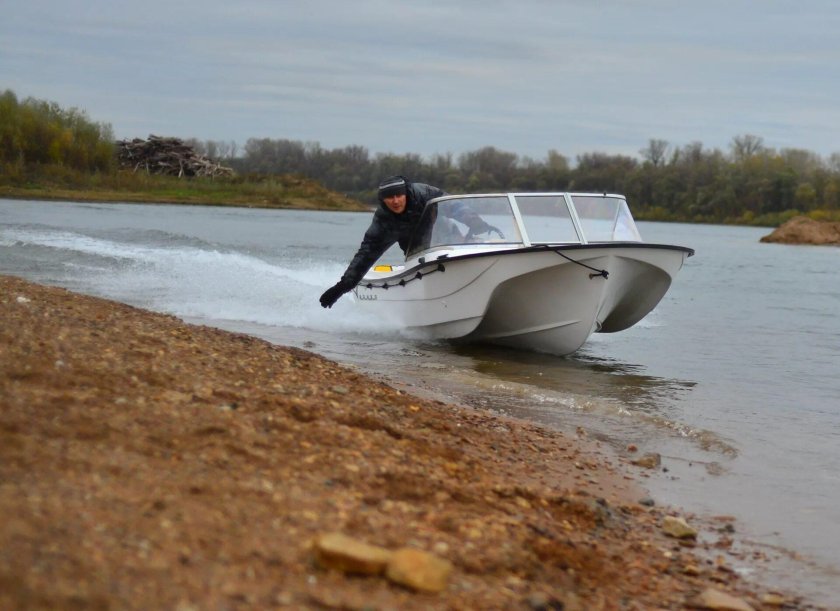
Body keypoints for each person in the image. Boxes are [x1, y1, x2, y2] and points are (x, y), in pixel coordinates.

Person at [319, 175, 495, 308]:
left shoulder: (423, 194)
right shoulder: (383, 221)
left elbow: (454, 205)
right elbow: (366, 254)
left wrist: (476, 223)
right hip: (417, 251)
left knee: (463, 243)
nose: (395, 201)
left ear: (405, 193)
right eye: (390, 197)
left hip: (446, 235)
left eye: (399, 195)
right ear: (383, 200)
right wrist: (342, 287)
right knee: (416, 260)